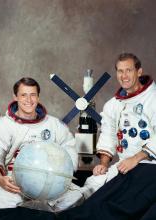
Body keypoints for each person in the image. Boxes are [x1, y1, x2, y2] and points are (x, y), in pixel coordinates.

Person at [57, 52, 156, 219]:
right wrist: (103, 163)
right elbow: (109, 136)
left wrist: (136, 158)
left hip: (149, 164)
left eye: (129, 70)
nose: (124, 76)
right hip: (124, 164)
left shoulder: (152, 99)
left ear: (139, 72)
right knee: (92, 184)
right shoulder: (113, 105)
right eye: (120, 71)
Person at [0, 77, 83, 211]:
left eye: (33, 95)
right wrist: (0, 179)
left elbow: (69, 148)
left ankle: (35, 210)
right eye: (23, 95)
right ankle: (38, 210)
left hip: (49, 183)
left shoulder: (54, 125)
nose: (29, 100)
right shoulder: (2, 126)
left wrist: (60, 179)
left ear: (38, 97)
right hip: (13, 182)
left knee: (76, 197)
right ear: (15, 97)